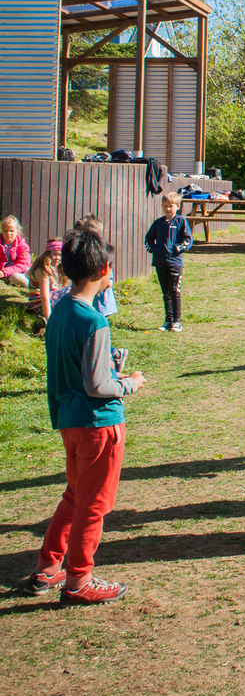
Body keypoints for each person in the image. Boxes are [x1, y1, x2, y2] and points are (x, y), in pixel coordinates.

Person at [18, 227, 146, 604]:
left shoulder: (60, 310)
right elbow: (97, 385)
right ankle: (78, 581)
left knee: (74, 496)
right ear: (104, 270)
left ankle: (47, 567)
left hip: (69, 421)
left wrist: (108, 369)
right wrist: (130, 383)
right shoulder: (95, 321)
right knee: (93, 506)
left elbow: (77, 369)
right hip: (99, 425)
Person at [144, 193, 193, 332]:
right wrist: (154, 249)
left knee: (174, 291)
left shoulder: (181, 221)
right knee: (165, 293)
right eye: (165, 206)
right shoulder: (158, 223)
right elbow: (148, 238)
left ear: (177, 206)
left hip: (175, 263)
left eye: (171, 206)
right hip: (160, 262)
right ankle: (168, 320)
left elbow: (188, 240)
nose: (168, 209)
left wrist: (179, 248)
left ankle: (177, 321)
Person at [28, 239, 66, 329]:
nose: (57, 258)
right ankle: (46, 319)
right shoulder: (43, 272)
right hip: (38, 304)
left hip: (47, 301)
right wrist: (50, 321)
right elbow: (44, 298)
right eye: (54, 254)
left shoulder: (53, 268)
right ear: (48, 254)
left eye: (60, 255)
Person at [1, 215, 32, 288]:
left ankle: (47, 287)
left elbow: (24, 264)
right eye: (5, 231)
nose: (8, 233)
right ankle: (34, 289)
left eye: (11, 231)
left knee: (32, 272)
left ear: (17, 231)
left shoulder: (22, 246)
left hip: (17, 269)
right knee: (16, 277)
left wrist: (4, 272)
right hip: (8, 274)